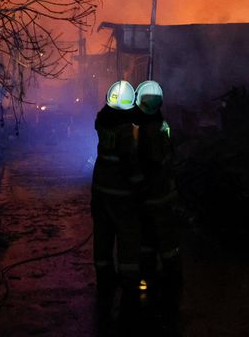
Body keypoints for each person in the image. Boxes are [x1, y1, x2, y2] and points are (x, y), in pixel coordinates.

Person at [91, 80, 143, 323]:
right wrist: (141, 184)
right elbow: (131, 162)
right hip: (123, 198)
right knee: (128, 242)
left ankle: (105, 284)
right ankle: (130, 291)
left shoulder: (103, 122)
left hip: (101, 194)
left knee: (102, 241)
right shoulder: (126, 129)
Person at [134, 80, 182, 329]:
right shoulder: (164, 125)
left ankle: (146, 279)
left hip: (146, 196)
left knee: (146, 241)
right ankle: (172, 280)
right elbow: (170, 154)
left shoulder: (136, 128)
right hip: (165, 194)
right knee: (168, 242)